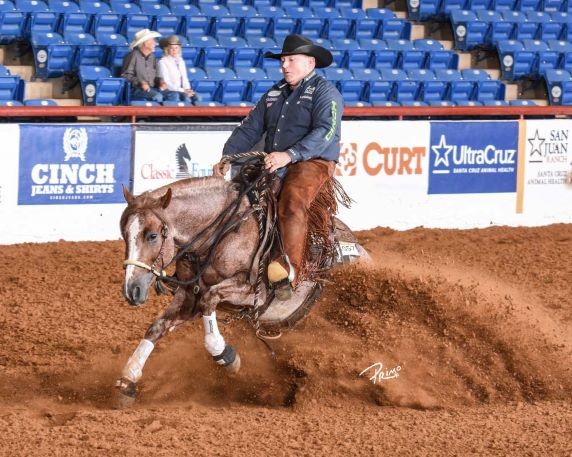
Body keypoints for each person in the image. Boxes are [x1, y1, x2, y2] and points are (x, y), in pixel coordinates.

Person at [213, 34, 343, 301]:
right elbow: (250, 128)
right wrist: (228, 156)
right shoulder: (274, 93)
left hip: (312, 161)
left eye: (291, 60)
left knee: (292, 201)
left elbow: (326, 131)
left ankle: (287, 270)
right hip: (276, 159)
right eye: (283, 60)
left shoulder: (325, 92)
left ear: (310, 63)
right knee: (238, 195)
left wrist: (290, 155)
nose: (284, 65)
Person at [121, 29, 181, 104]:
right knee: (157, 96)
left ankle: (168, 112)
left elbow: (156, 77)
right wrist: (141, 82)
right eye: (153, 41)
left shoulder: (152, 57)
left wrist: (161, 81)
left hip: (153, 89)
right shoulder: (132, 56)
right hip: (137, 90)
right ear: (145, 43)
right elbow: (126, 75)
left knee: (173, 95)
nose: (155, 43)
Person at [158, 35, 199, 106]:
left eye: (176, 48)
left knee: (196, 97)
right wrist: (183, 90)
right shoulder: (163, 62)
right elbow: (167, 83)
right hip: (169, 90)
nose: (174, 50)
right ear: (167, 49)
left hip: (181, 90)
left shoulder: (181, 61)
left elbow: (184, 78)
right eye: (171, 48)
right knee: (183, 97)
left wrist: (187, 89)